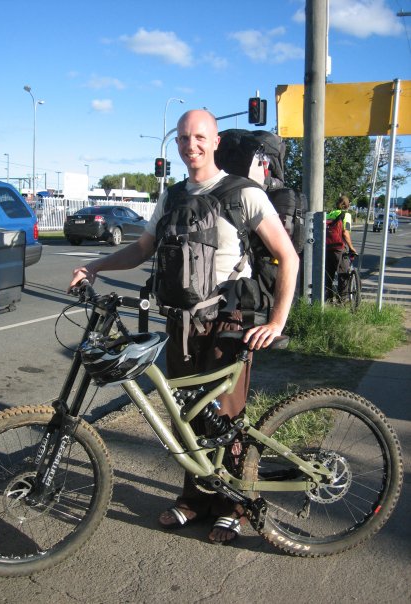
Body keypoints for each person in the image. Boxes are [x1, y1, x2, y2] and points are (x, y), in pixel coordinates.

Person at [69, 109, 300, 544]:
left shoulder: (243, 194)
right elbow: (141, 249)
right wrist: (96, 266)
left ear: (215, 142)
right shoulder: (173, 197)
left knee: (224, 418)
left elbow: (287, 255)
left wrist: (277, 320)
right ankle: (194, 498)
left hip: (229, 323)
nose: (190, 145)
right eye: (182, 138)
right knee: (184, 416)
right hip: (180, 323)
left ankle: (232, 505)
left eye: (199, 137)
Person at [325, 195, 357, 303]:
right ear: (347, 205)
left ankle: (328, 300)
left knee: (328, 276)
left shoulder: (330, 214)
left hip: (327, 248)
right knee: (344, 274)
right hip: (338, 248)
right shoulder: (346, 215)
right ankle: (342, 301)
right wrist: (351, 248)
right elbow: (345, 233)